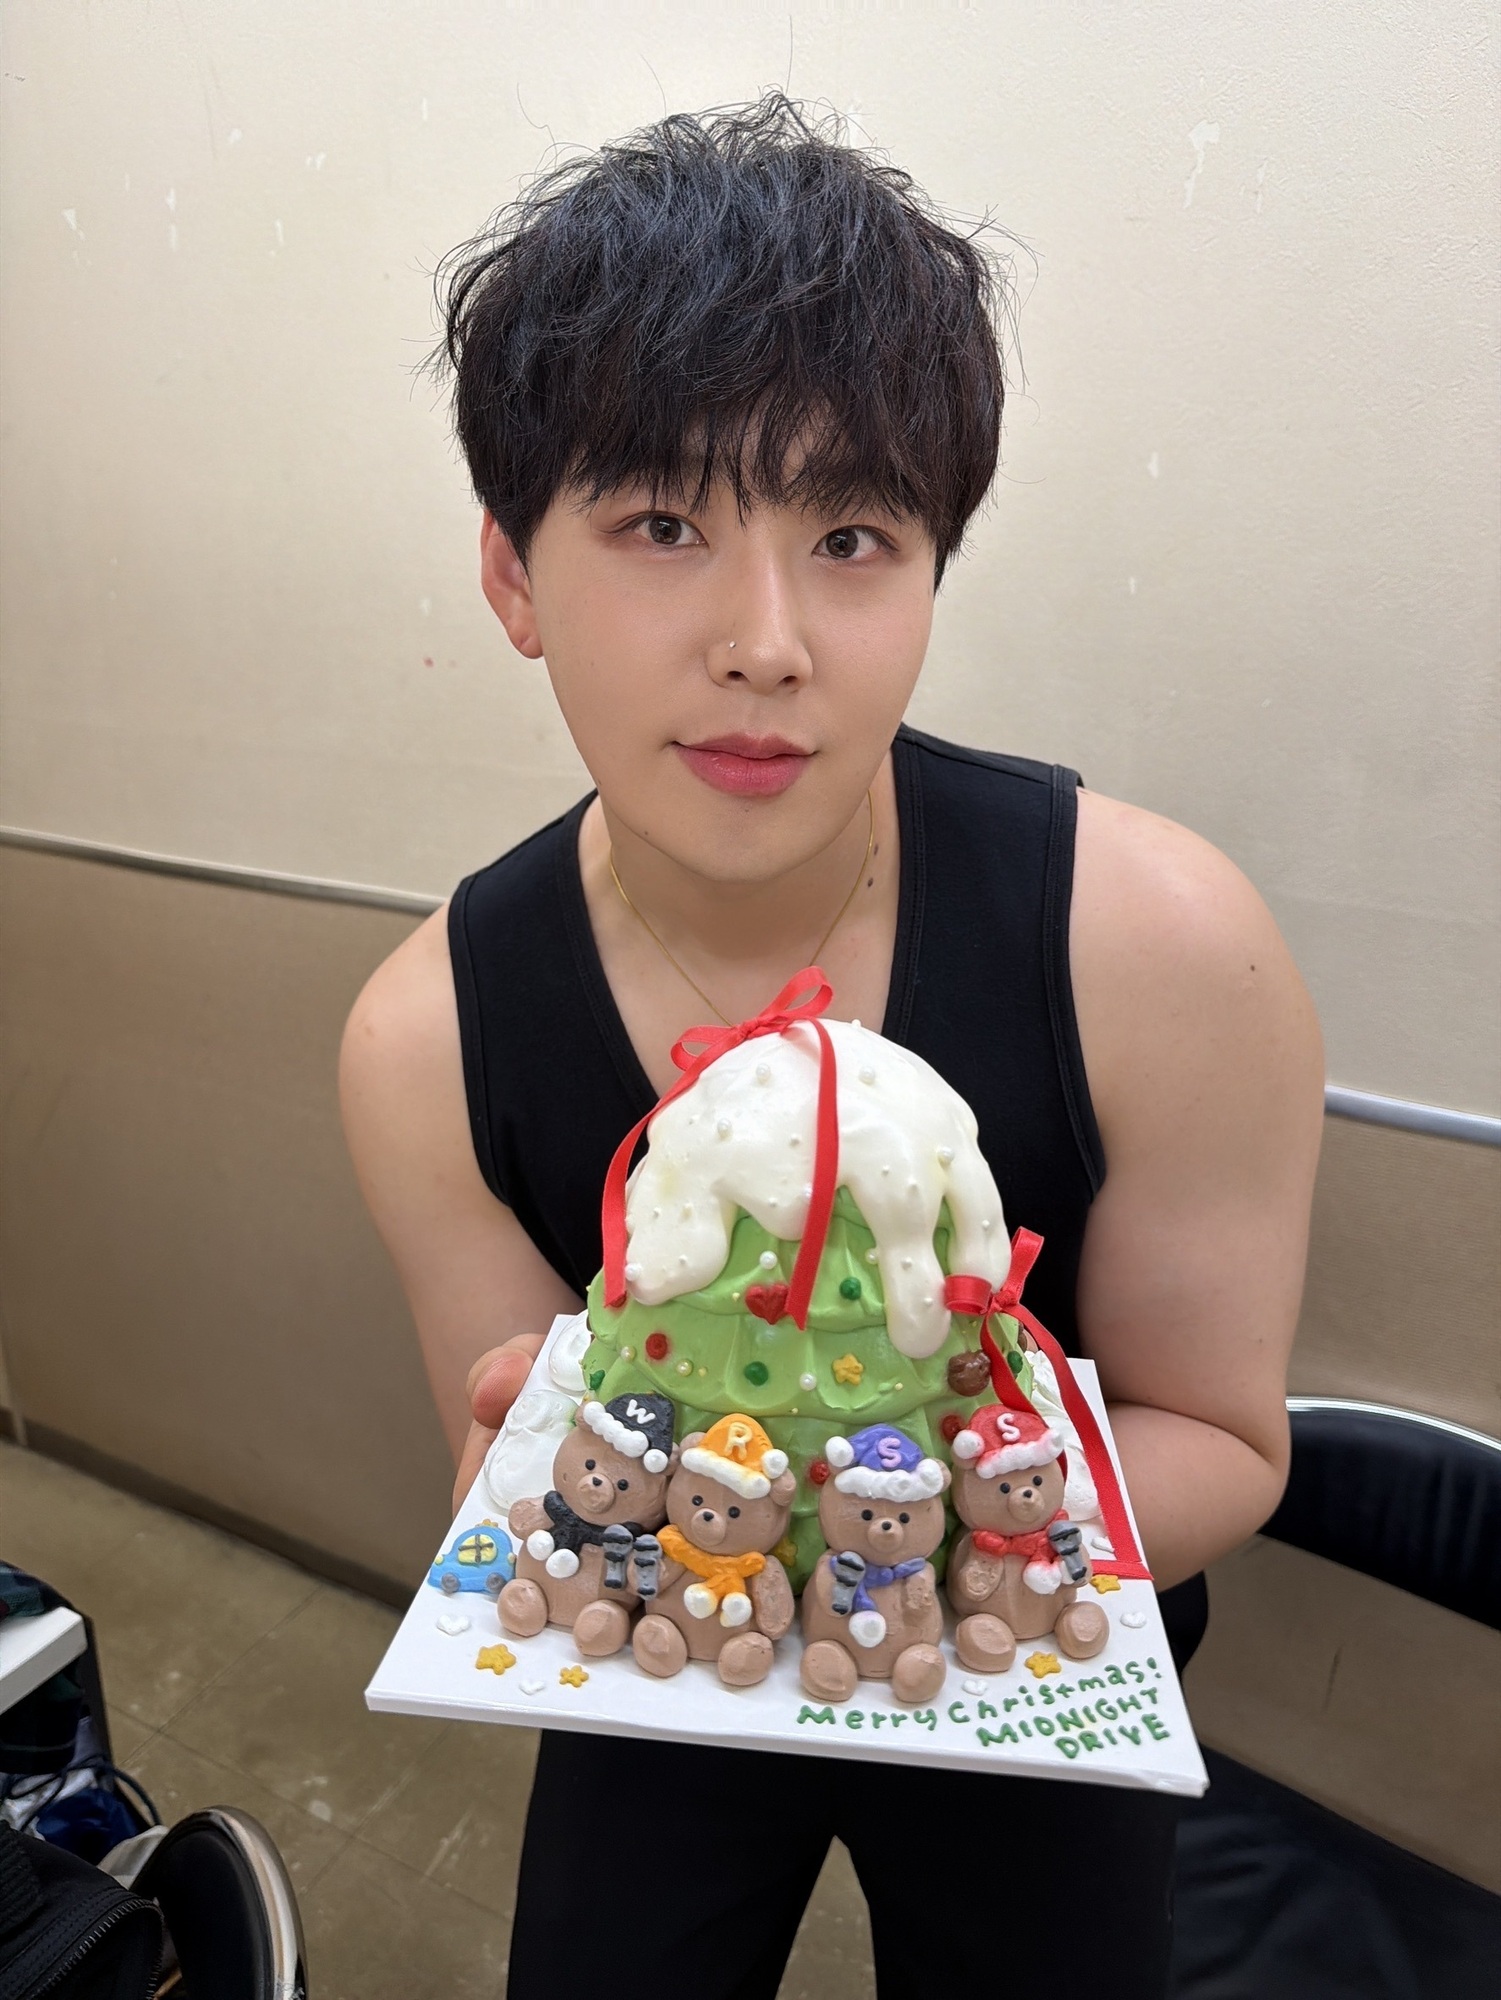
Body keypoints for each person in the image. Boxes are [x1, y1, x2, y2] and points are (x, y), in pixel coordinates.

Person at [339, 96, 1323, 2000]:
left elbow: (1218, 1435)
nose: (767, 640)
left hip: (1030, 1632)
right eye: (661, 525)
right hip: (665, 1636)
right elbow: (510, 1463)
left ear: (933, 568)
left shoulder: (1159, 945)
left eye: (852, 534)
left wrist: (909, 1524)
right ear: (513, 577)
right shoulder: (421, 1035)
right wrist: (540, 1461)